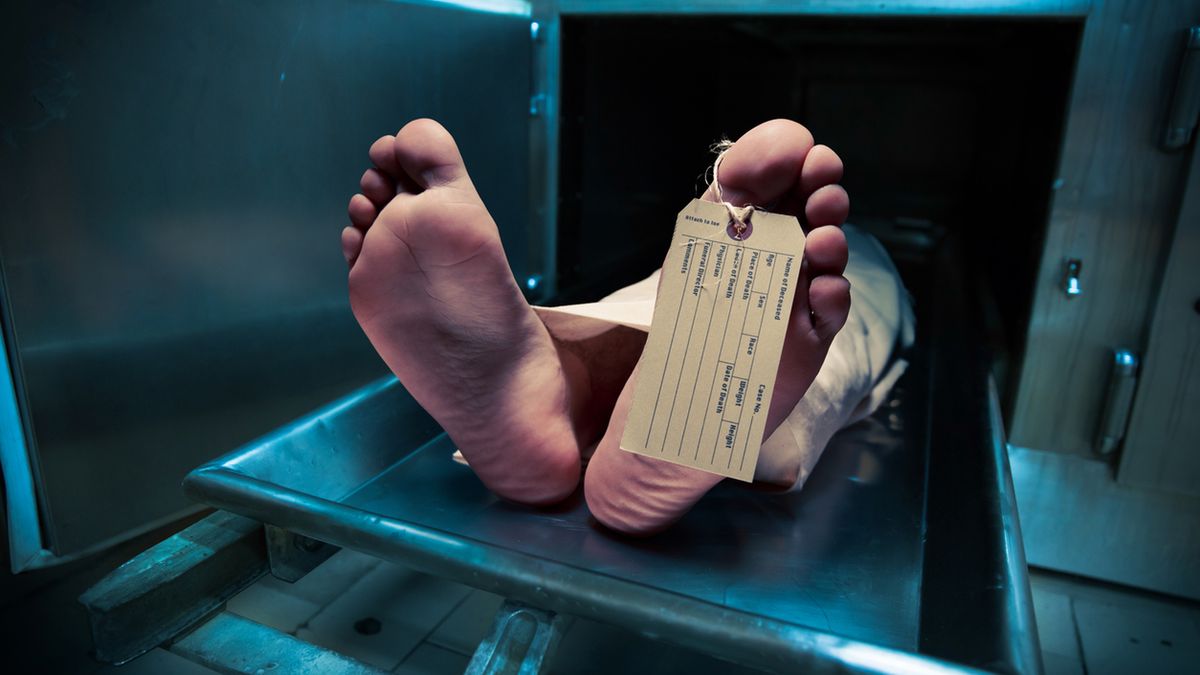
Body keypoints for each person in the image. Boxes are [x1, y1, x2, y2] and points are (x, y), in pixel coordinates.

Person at [341, 119, 913, 536]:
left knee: (645, 311)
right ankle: (662, 429)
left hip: (687, 293)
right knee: (843, 306)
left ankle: (570, 388)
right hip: (835, 265)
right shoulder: (833, 237)